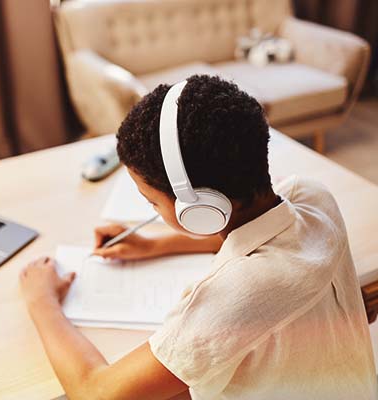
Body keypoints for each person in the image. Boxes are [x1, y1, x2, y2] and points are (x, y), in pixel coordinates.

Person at [19, 75, 377, 399]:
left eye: (152, 202)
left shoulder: (237, 296)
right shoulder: (313, 198)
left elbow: (97, 393)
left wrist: (42, 301)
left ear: (201, 209)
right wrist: (158, 244)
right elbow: (266, 231)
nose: (152, 213)